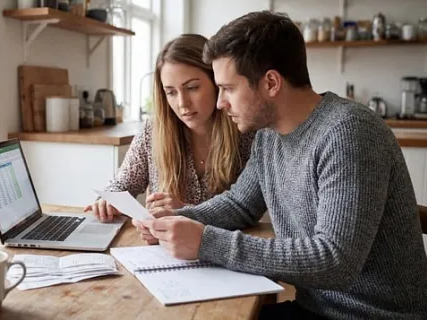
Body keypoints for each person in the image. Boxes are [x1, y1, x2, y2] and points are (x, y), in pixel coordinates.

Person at [134, 11, 427, 319]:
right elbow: (239, 204)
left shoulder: (350, 132)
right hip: (316, 309)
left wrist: (206, 242)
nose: (221, 103)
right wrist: (177, 220)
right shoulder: (269, 136)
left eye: (228, 88)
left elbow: (334, 261)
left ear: (271, 82)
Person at [84, 34, 255, 229]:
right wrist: (106, 201)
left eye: (192, 87)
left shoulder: (246, 134)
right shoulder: (153, 131)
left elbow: (245, 213)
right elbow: (122, 185)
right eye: (171, 92)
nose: (182, 103)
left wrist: (183, 211)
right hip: (161, 252)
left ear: (216, 82)